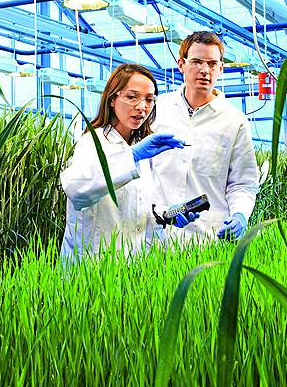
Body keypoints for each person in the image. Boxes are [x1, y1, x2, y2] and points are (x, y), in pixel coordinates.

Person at [60, 64, 198, 259]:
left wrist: (166, 215)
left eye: (149, 100)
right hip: (94, 262)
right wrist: (131, 157)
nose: (142, 107)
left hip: (133, 262)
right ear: (112, 99)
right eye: (132, 97)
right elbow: (77, 190)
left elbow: (141, 207)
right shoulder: (92, 142)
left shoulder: (141, 147)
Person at [151, 31, 260, 243]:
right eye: (197, 62)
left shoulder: (234, 121)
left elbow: (243, 182)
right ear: (181, 64)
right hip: (157, 237)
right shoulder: (157, 109)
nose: (205, 70)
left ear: (221, 68)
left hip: (208, 238)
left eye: (212, 64)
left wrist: (240, 214)